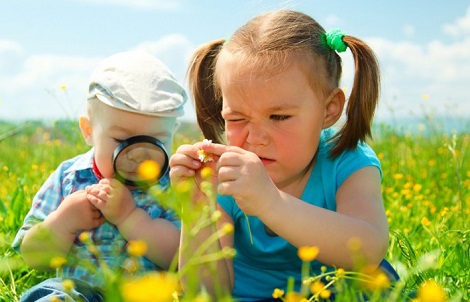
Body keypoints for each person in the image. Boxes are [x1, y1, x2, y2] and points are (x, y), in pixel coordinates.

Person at [169, 9, 398, 301]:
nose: (255, 139)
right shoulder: (223, 175)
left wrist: (271, 203)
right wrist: (197, 210)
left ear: (329, 109)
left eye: (278, 117)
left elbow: (368, 251)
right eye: (237, 119)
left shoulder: (348, 161)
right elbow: (206, 294)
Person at [13, 50, 187, 301]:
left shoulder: (174, 184)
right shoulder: (69, 176)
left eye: (156, 140)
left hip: (147, 294)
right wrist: (62, 222)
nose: (138, 155)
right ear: (88, 130)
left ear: (173, 133)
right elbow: (33, 256)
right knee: (54, 293)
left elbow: (182, 257)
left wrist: (131, 218)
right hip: (79, 293)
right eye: (121, 140)